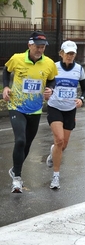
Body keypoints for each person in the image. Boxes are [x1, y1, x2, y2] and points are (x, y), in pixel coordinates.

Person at [3, 31, 57, 193]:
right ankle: (17, 178)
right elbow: (6, 71)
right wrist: (6, 87)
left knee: (27, 143)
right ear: (29, 45)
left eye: (42, 47)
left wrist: (50, 89)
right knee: (20, 140)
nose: (40, 50)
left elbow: (52, 79)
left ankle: (15, 169)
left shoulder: (49, 63)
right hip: (16, 106)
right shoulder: (17, 58)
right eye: (37, 47)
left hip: (35, 109)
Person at [45, 40, 85, 189]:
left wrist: (81, 99)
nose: (70, 56)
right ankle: (56, 176)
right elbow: (47, 83)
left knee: (63, 145)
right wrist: (48, 91)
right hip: (55, 107)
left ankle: (53, 154)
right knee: (59, 140)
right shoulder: (53, 67)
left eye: (72, 54)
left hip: (70, 109)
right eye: (67, 53)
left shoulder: (79, 69)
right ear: (61, 53)